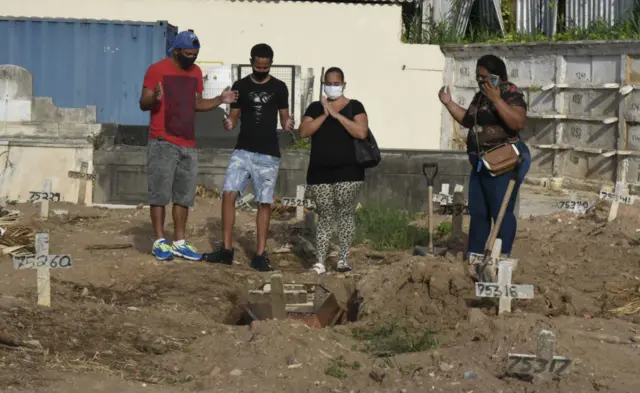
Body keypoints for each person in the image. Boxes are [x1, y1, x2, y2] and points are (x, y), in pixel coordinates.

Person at [139, 30, 238, 261]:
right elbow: (143, 102)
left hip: (188, 142)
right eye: (187, 54)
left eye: (195, 54)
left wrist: (220, 100)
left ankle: (180, 242)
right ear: (176, 51)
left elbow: (197, 104)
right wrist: (155, 98)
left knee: (184, 196)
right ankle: (160, 241)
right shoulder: (157, 70)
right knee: (160, 193)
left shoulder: (196, 72)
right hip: (162, 139)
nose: (191, 58)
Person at [201, 43, 293, 271]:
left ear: (271, 63)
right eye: (258, 65)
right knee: (229, 194)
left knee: (264, 202)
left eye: (265, 66)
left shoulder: (280, 87)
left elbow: (284, 116)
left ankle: (260, 254)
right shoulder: (240, 86)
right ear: (252, 61)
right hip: (243, 151)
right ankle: (227, 249)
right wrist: (229, 123)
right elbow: (234, 116)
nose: (261, 69)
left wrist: (288, 124)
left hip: (268, 154)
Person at [438, 54, 531, 260]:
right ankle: (476, 254)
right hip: (480, 164)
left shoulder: (510, 94)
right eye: (478, 77)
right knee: (478, 211)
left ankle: (501, 254)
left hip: (503, 163)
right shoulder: (480, 96)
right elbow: (467, 120)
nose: (480, 81)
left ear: (497, 76)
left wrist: (497, 100)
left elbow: (517, 122)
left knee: (500, 210)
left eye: (484, 76)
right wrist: (448, 103)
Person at [298, 67, 369, 274]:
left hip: (349, 172)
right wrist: (325, 114)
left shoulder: (355, 106)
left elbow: (361, 132)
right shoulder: (314, 107)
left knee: (345, 213)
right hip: (320, 172)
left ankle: (343, 258)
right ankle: (320, 260)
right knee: (325, 214)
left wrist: (337, 115)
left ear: (343, 85)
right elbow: (304, 131)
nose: (332, 87)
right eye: (328, 83)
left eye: (336, 84)